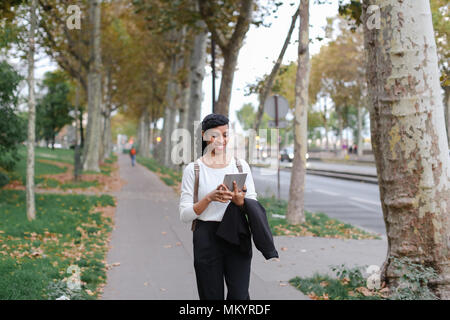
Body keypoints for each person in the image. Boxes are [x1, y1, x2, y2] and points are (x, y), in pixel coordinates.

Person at [179, 113, 258, 300]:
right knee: (210, 296)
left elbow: (253, 203)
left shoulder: (240, 166)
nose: (222, 140)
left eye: (225, 134)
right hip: (206, 236)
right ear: (205, 136)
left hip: (237, 233)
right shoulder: (194, 170)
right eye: (216, 135)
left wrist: (240, 202)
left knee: (239, 297)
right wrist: (209, 198)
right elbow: (184, 215)